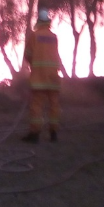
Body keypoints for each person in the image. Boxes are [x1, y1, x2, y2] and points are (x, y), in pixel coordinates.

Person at [21, 8, 66, 143]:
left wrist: (33, 63)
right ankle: (53, 133)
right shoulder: (54, 37)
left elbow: (27, 55)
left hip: (39, 78)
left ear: (39, 21)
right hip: (53, 77)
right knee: (54, 106)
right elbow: (55, 55)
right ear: (48, 21)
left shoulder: (34, 36)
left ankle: (35, 134)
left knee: (36, 105)